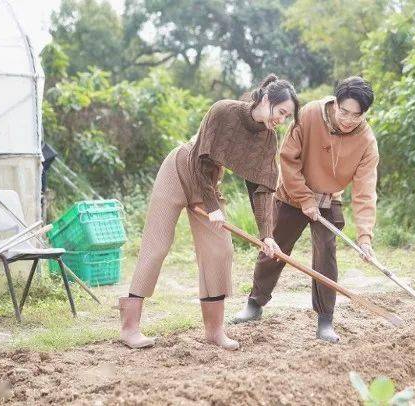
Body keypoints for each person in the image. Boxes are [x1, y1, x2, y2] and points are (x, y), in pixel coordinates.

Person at [118, 75, 299, 350]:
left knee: (220, 251)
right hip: (180, 170)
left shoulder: (267, 139)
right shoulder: (223, 110)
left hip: (209, 184)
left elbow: (262, 189)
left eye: (287, 116)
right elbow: (198, 159)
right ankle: (130, 327)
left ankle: (214, 331)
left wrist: (267, 235)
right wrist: (213, 208)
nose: (282, 120)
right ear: (265, 100)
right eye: (281, 112)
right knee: (157, 246)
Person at [233, 76, 378, 343]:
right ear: (335, 102)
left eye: (355, 116)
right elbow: (288, 160)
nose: (347, 119)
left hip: (328, 198)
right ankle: (254, 304)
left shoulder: (367, 142)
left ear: (364, 114)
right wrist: (304, 199)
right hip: (292, 192)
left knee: (326, 256)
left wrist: (365, 236)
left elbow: (365, 191)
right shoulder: (310, 114)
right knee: (274, 248)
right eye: (343, 111)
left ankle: (325, 321)